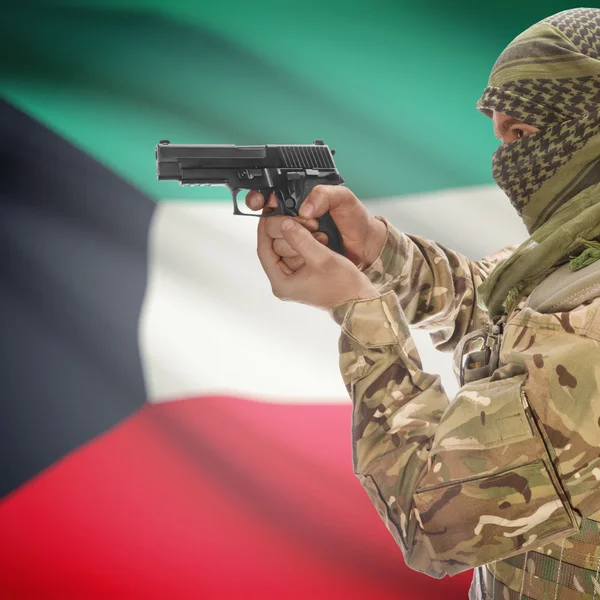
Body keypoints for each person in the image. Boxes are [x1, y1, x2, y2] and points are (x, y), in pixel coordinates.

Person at [246, 8, 600, 599]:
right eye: (500, 136)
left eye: (522, 134)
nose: (506, 160)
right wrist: (378, 250)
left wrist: (358, 310)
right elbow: (501, 310)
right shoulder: (578, 255)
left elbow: (434, 521)